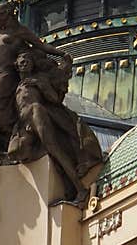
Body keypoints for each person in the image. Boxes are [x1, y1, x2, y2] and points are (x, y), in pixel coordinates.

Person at [9, 50, 102, 205]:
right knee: (21, 151)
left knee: (54, 150)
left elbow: (54, 99)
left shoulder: (38, 79)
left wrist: (41, 85)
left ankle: (80, 189)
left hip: (36, 113)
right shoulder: (18, 85)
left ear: (33, 65)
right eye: (21, 61)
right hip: (24, 123)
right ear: (17, 66)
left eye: (28, 60)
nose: (25, 63)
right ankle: (71, 187)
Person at [0, 0, 72, 135]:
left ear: (7, 15)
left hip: (6, 72)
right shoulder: (0, 29)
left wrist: (62, 53)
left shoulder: (20, 31)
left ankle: (16, 133)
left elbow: (41, 46)